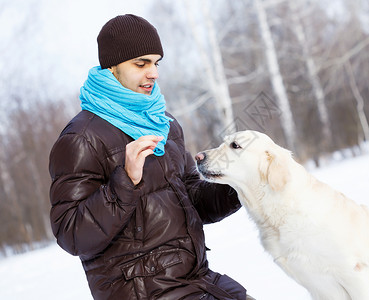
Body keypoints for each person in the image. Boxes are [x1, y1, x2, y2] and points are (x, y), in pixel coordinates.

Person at [49, 14, 253, 300]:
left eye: (156, 63)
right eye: (141, 63)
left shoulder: (162, 122)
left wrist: (238, 185)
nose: (153, 73)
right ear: (112, 67)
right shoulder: (81, 139)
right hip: (142, 292)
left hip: (195, 280)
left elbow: (192, 198)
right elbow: (71, 235)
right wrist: (126, 181)